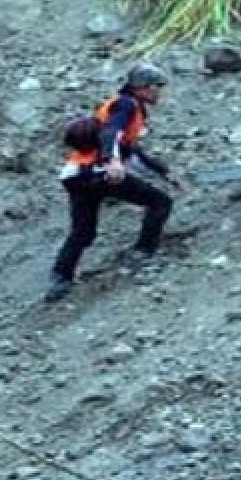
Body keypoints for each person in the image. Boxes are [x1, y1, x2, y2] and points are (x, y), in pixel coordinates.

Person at [45, 63, 188, 303]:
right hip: (100, 173)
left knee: (83, 232)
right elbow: (111, 134)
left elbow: (131, 151)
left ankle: (60, 278)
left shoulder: (128, 108)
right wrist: (112, 161)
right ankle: (143, 252)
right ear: (142, 88)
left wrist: (165, 172)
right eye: (156, 87)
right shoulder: (126, 105)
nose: (159, 93)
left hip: (75, 174)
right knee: (159, 202)